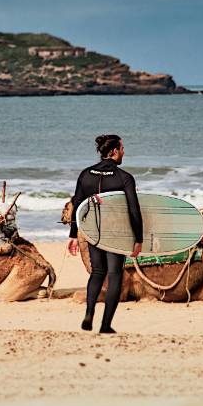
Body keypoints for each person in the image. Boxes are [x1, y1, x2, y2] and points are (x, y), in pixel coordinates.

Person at [67, 135, 143, 334]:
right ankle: (106, 324)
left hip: (94, 232)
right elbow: (134, 210)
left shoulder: (85, 175)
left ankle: (89, 313)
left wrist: (73, 235)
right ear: (115, 151)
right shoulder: (124, 177)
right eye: (122, 148)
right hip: (116, 233)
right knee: (115, 274)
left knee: (97, 272)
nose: (124, 152)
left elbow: (77, 206)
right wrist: (139, 239)